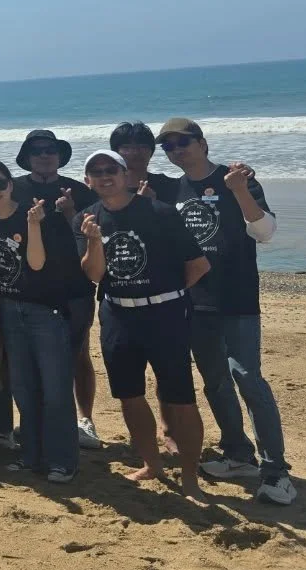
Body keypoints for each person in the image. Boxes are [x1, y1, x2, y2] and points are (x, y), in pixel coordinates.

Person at [159, 118, 293, 505]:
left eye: (183, 141)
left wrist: (239, 192)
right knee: (215, 381)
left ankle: (276, 471)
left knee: (248, 378)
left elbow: (265, 233)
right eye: (168, 146)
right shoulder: (172, 190)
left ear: (202, 143)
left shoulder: (238, 179)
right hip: (194, 301)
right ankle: (238, 455)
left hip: (237, 298)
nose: (177, 149)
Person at [78, 149, 209, 498]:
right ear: (87, 181)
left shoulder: (159, 212)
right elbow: (94, 274)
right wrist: (93, 240)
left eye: (111, 169)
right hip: (118, 315)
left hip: (165, 316)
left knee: (181, 398)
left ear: (125, 175)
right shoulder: (87, 218)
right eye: (96, 171)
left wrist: (168, 294)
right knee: (129, 396)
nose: (104, 176)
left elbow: (198, 264)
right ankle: (152, 464)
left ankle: (190, 478)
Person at [0, 157, 80, 483]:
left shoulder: (35, 216)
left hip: (44, 311)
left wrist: (33, 227)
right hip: (7, 311)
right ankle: (31, 455)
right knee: (23, 388)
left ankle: (62, 460)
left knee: (55, 389)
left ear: (10, 183)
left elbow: (36, 264)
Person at [12, 128, 101, 451]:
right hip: (29, 289)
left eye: (50, 150)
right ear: (27, 158)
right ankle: (37, 420)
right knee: (32, 361)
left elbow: (94, 240)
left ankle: (85, 419)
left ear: (60, 156)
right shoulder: (14, 189)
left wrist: (71, 212)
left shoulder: (81, 192)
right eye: (37, 151)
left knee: (78, 354)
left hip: (74, 287)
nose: (44, 155)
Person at [111, 122, 177, 202]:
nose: (135, 152)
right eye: (126, 147)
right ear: (115, 152)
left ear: (151, 151)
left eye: (142, 147)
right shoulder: (106, 187)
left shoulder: (169, 185)